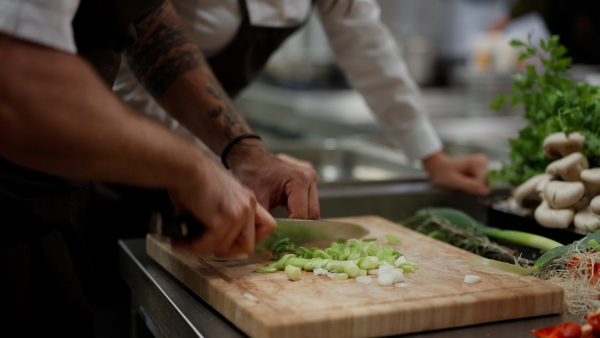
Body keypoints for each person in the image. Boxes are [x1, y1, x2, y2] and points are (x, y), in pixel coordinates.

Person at [0, 0, 320, 336]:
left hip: (42, 218)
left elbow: (148, 18)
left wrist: (246, 151)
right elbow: (16, 84)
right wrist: (191, 167)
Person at [114, 0, 491, 197]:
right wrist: (203, 161)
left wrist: (431, 155)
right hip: (125, 137)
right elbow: (134, 62)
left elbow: (367, 44)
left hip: (213, 146)